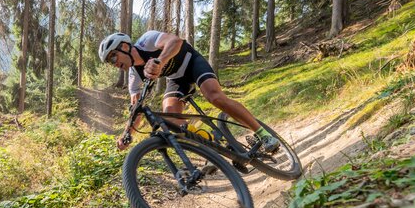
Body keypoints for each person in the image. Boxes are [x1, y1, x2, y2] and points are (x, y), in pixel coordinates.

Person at [98, 30, 280, 153]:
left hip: (191, 62)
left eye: (113, 56)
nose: (113, 63)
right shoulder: (133, 75)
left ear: (124, 46)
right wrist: (127, 134)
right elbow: (135, 107)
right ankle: (214, 145)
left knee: (214, 97)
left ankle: (263, 134)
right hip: (176, 80)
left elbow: (175, 41)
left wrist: (159, 61)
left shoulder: (146, 41)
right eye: (109, 62)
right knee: (170, 120)